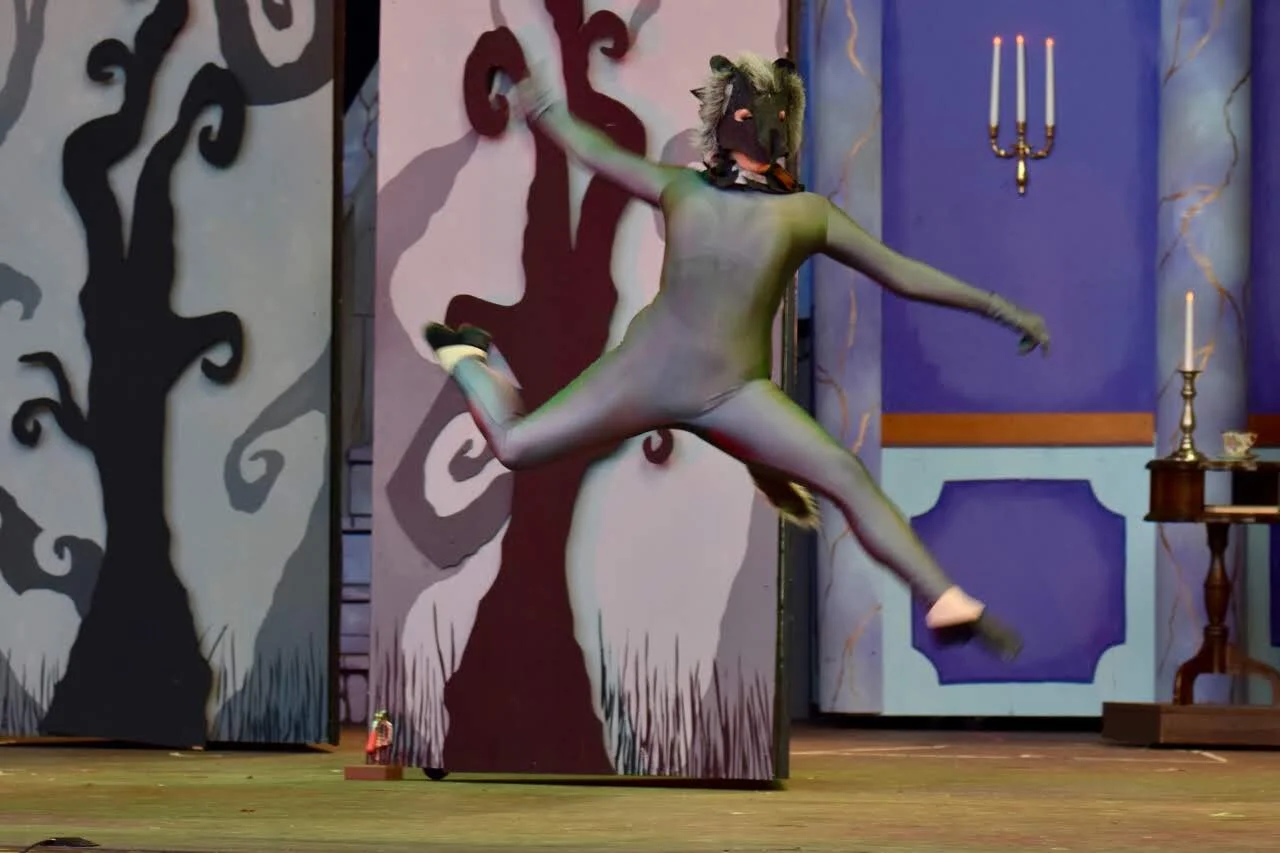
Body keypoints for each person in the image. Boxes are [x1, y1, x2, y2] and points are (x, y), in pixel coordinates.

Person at [425, 53, 1050, 660]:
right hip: (643, 376)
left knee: (843, 473)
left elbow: (901, 274)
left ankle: (943, 598)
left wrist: (1001, 308)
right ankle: (467, 356)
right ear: (734, 118)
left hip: (733, 395)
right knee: (515, 445)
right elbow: (598, 153)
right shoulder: (684, 188)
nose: (756, 120)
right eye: (749, 110)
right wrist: (538, 105)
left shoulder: (804, 214)